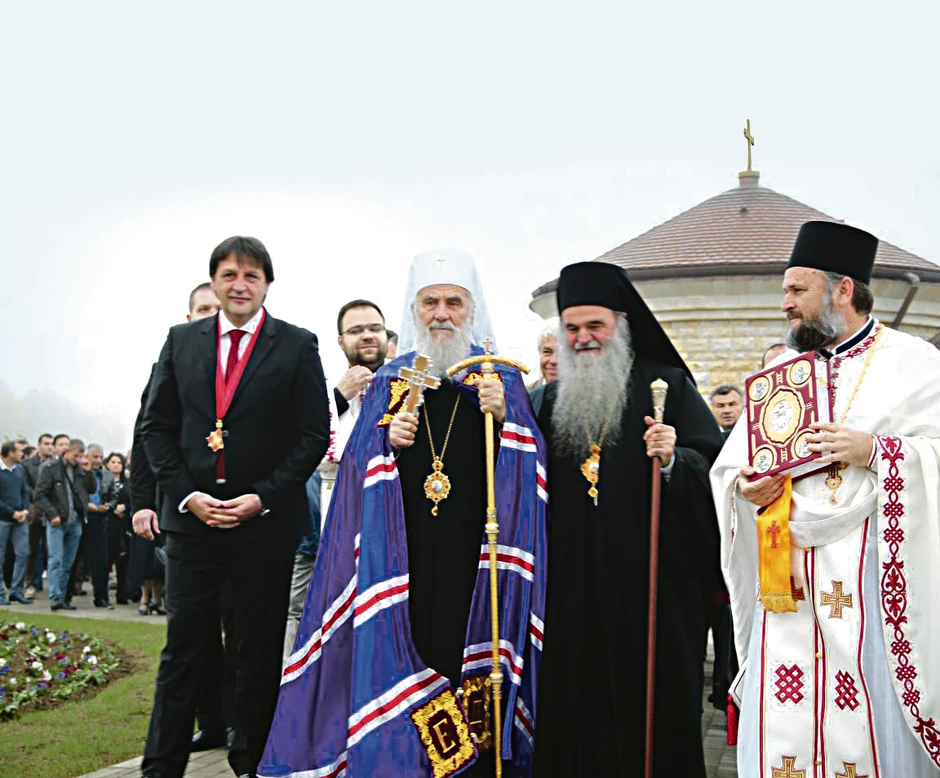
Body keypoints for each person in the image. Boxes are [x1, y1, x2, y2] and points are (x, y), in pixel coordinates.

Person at [260, 249, 547, 778]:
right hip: (403, 561)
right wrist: (385, 443)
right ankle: (407, 762)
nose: (442, 313)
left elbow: (535, 474)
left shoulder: (500, 380)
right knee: (410, 648)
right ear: (414, 311)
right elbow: (353, 476)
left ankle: (478, 767)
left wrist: (507, 421)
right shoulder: (393, 380)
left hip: (476, 563)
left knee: (472, 658)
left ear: (472, 308)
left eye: (454, 303)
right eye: (430, 302)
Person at [712, 221, 940, 777]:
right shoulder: (779, 375)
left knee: (866, 712)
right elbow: (733, 467)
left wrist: (876, 450)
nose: (783, 303)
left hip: (874, 584)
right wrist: (747, 487)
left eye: (796, 289)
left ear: (842, 290)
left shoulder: (915, 364)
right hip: (788, 580)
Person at [137, 236, 329, 778]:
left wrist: (262, 497)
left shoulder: (296, 345)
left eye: (251, 275)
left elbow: (312, 435)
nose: (239, 285)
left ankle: (253, 760)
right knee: (184, 650)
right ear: (214, 282)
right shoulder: (180, 341)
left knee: (258, 647)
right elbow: (156, 427)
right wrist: (188, 496)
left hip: (263, 526)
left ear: (267, 283)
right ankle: (161, 765)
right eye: (228, 275)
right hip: (193, 523)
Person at [532, 261, 724, 778]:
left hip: (650, 587)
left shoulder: (667, 386)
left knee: (652, 710)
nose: (583, 338)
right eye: (571, 328)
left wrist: (675, 460)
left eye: (595, 325)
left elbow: (716, 469)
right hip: (570, 590)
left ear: (621, 322)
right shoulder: (550, 398)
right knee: (575, 704)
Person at [283, 298, 389, 660]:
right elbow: (309, 451)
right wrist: (339, 397)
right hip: (332, 518)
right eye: (356, 331)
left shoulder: (409, 386)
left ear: (387, 335)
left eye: (374, 328)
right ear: (341, 340)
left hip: (388, 524)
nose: (367, 336)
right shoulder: (324, 387)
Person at [34, 438, 94, 611]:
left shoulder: (79, 471)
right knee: (55, 560)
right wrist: (52, 513)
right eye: (76, 455)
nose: (78, 459)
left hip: (75, 521)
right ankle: (54, 597)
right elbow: (40, 495)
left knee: (68, 562)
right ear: (67, 452)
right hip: (57, 521)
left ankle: (63, 597)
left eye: (80, 456)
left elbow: (90, 489)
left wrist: (87, 471)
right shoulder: (50, 469)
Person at [0, 440, 33, 605]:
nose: (22, 454)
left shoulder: (19, 470)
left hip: (20, 518)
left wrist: (25, 511)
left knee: (23, 553)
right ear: (10, 453)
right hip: (3, 519)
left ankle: (16, 591)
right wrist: (11, 513)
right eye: (19, 451)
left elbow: (25, 492)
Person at [22, 433, 54, 599]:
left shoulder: (56, 464)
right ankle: (30, 583)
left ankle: (54, 588)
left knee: (52, 550)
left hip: (52, 511)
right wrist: (39, 498)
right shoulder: (27, 465)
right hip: (34, 511)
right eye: (46, 443)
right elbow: (26, 487)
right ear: (39, 445)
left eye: (51, 443)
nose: (49, 446)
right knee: (32, 549)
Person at [102, 453, 131, 605]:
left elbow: (135, 500)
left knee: (123, 560)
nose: (116, 465)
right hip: (107, 523)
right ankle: (103, 594)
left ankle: (123, 593)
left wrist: (125, 508)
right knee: (106, 559)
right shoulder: (102, 481)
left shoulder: (128, 483)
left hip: (123, 524)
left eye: (119, 462)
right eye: (113, 462)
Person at [528, 320, 559, 415]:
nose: (554, 361)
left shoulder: (583, 399)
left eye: (562, 354)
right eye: (547, 352)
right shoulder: (524, 396)